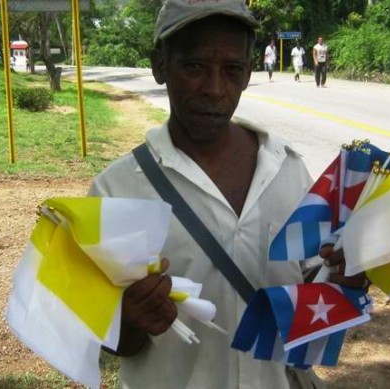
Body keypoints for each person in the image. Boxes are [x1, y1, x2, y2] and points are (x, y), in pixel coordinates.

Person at [88, 1, 364, 388]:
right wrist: (130, 321)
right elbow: (111, 343)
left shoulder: (287, 169)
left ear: (249, 72)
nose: (215, 89)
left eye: (232, 69)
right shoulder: (116, 190)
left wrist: (345, 278)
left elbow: (313, 291)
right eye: (194, 66)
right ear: (160, 65)